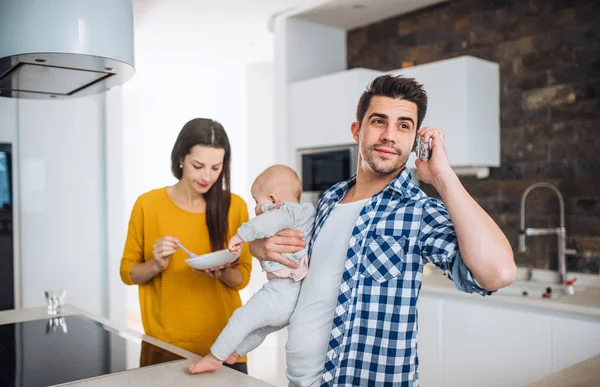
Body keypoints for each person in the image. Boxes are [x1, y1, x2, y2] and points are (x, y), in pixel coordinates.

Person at [250, 75, 517, 386]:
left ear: (414, 138)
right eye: (379, 121)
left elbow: (497, 273)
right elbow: (295, 265)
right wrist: (259, 248)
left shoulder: (418, 211)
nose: (390, 135)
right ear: (357, 130)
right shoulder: (328, 199)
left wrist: (442, 176)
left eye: (404, 125)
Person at [119, 118, 253, 373]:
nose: (207, 176)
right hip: (164, 347)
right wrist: (157, 264)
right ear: (181, 158)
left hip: (225, 346)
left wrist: (222, 271)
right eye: (198, 166)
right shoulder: (148, 205)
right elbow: (128, 273)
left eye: (216, 168)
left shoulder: (235, 207)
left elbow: (243, 277)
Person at [188, 164, 315, 374]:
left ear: (273, 201)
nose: (255, 208)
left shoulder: (286, 211)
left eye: (257, 202)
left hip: (281, 292)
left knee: (243, 318)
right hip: (295, 297)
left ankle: (214, 357)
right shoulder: (304, 215)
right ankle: (236, 352)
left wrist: (241, 235)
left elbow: (265, 222)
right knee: (261, 329)